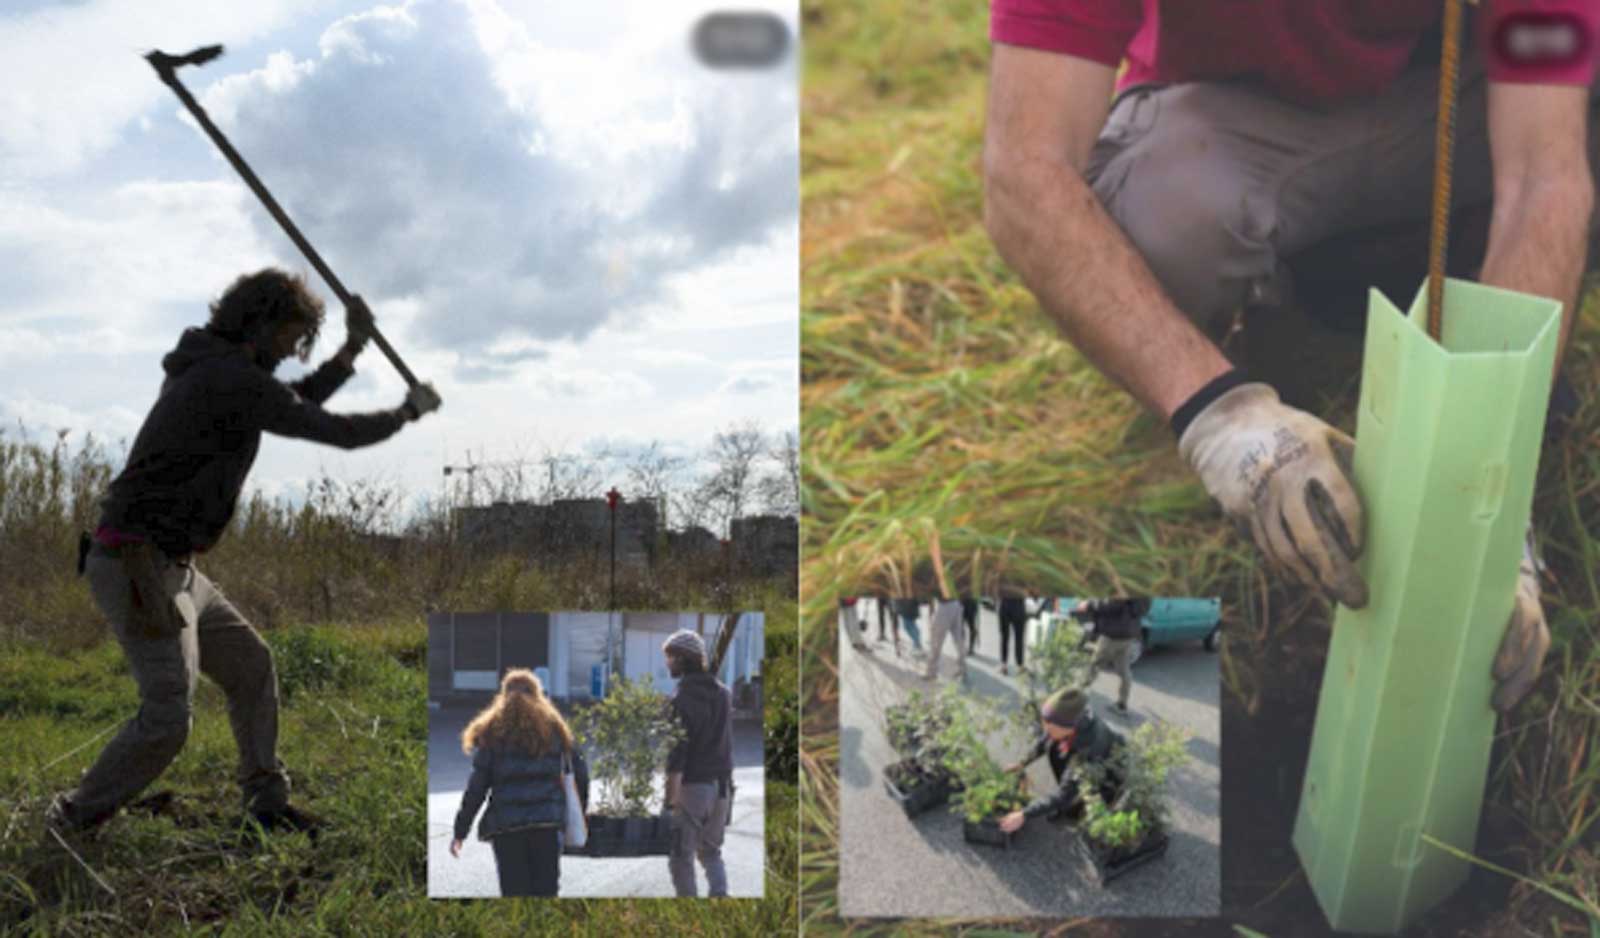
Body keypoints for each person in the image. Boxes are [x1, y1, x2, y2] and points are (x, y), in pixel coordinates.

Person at [982, 1, 1598, 712]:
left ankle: (1433, 297)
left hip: (1456, 105)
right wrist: (1221, 415)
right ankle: (1301, 307)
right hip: (1236, 119)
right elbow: (1024, 169)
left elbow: (1542, 180)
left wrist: (1491, 480)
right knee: (1163, 218)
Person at [45, 268, 440, 838]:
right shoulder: (225, 377)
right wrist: (405, 413)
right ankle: (71, 822)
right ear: (259, 323)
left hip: (175, 568)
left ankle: (265, 804)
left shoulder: (221, 370)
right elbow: (328, 427)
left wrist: (352, 350)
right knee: (166, 721)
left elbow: (294, 399)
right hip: (138, 564)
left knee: (252, 668)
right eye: (291, 337)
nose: (293, 351)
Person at [450, 669, 589, 898]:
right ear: (537, 694)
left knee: (514, 893)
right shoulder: (555, 729)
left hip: (507, 828)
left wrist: (460, 831)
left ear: (503, 695)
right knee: (546, 891)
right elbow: (580, 773)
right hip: (547, 824)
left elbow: (476, 788)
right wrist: (579, 811)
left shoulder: (491, 731)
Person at [662, 629, 735, 898]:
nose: (666, 663)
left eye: (669, 657)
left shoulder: (680, 698)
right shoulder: (724, 695)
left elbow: (677, 755)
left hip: (693, 788)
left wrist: (670, 801)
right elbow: (727, 745)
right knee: (712, 853)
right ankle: (720, 899)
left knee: (681, 857)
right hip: (723, 788)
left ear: (682, 659)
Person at [998, 687, 1125, 834]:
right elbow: (1045, 740)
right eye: (1044, 723)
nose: (1045, 730)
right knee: (1054, 749)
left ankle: (1076, 809)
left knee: (1075, 808)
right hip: (1080, 751)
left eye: (1050, 728)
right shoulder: (1069, 719)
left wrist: (1024, 814)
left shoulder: (1088, 747)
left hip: (1107, 771)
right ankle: (1059, 805)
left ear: (1068, 728)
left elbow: (1065, 792)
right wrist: (1022, 763)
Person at [1074, 597, 1150, 713]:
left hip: (1112, 633)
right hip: (1128, 634)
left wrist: (1088, 604)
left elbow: (1110, 604)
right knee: (1124, 670)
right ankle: (1122, 704)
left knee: (1094, 665)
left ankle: (1075, 697)